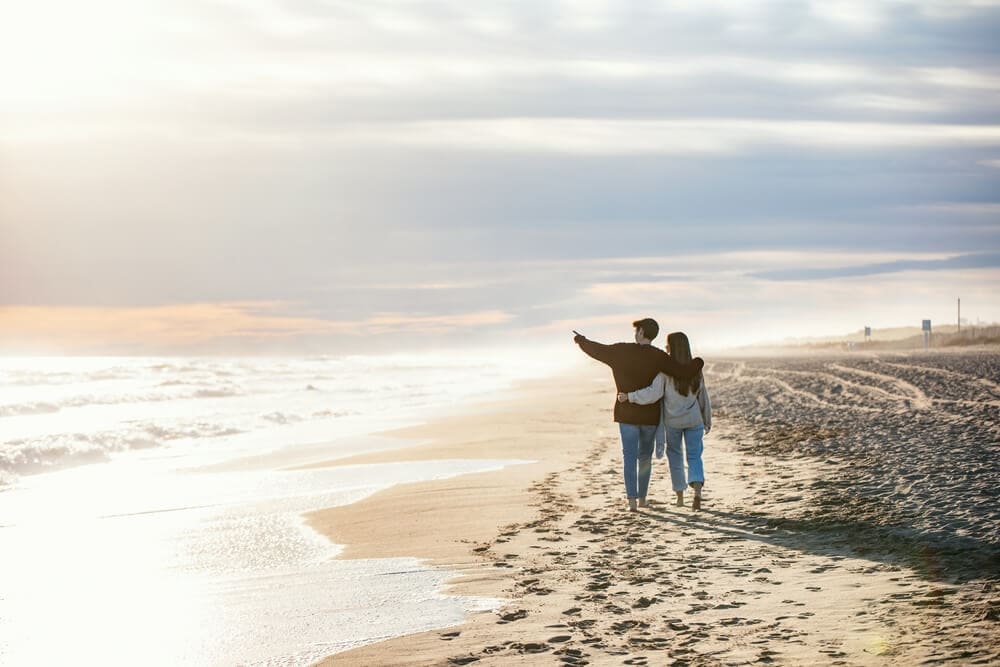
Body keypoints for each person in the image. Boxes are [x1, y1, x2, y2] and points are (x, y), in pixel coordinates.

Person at [574, 319, 705, 512]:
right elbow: (683, 372)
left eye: (637, 330)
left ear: (641, 332)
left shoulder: (620, 351)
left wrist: (581, 340)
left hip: (626, 413)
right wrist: (699, 361)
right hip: (649, 417)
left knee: (629, 457)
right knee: (644, 458)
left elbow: (597, 350)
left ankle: (632, 502)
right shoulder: (659, 357)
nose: (636, 333)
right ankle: (643, 499)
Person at [618, 331, 711, 510]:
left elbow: (652, 394)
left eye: (668, 344)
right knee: (694, 456)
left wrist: (630, 396)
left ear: (672, 348)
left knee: (675, 457)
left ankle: (680, 497)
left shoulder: (665, 372)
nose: (665, 347)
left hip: (673, 422)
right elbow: (703, 398)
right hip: (694, 421)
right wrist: (707, 420)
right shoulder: (696, 371)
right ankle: (697, 493)